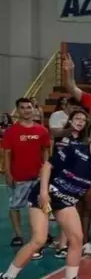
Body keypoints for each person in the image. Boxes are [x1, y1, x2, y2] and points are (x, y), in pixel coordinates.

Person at [0, 122, 91, 279]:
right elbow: (47, 166)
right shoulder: (75, 149)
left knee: (77, 238)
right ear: (89, 136)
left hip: (66, 201)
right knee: (39, 239)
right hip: (46, 196)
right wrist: (44, 192)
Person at [3, 98, 51, 252]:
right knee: (15, 206)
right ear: (18, 110)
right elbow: (7, 154)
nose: (26, 110)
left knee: (42, 206)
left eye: (29, 107)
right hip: (19, 177)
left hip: (38, 177)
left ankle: (42, 233)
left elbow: (46, 151)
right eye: (22, 107)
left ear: (33, 109)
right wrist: (8, 173)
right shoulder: (11, 131)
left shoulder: (42, 130)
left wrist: (45, 171)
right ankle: (18, 235)